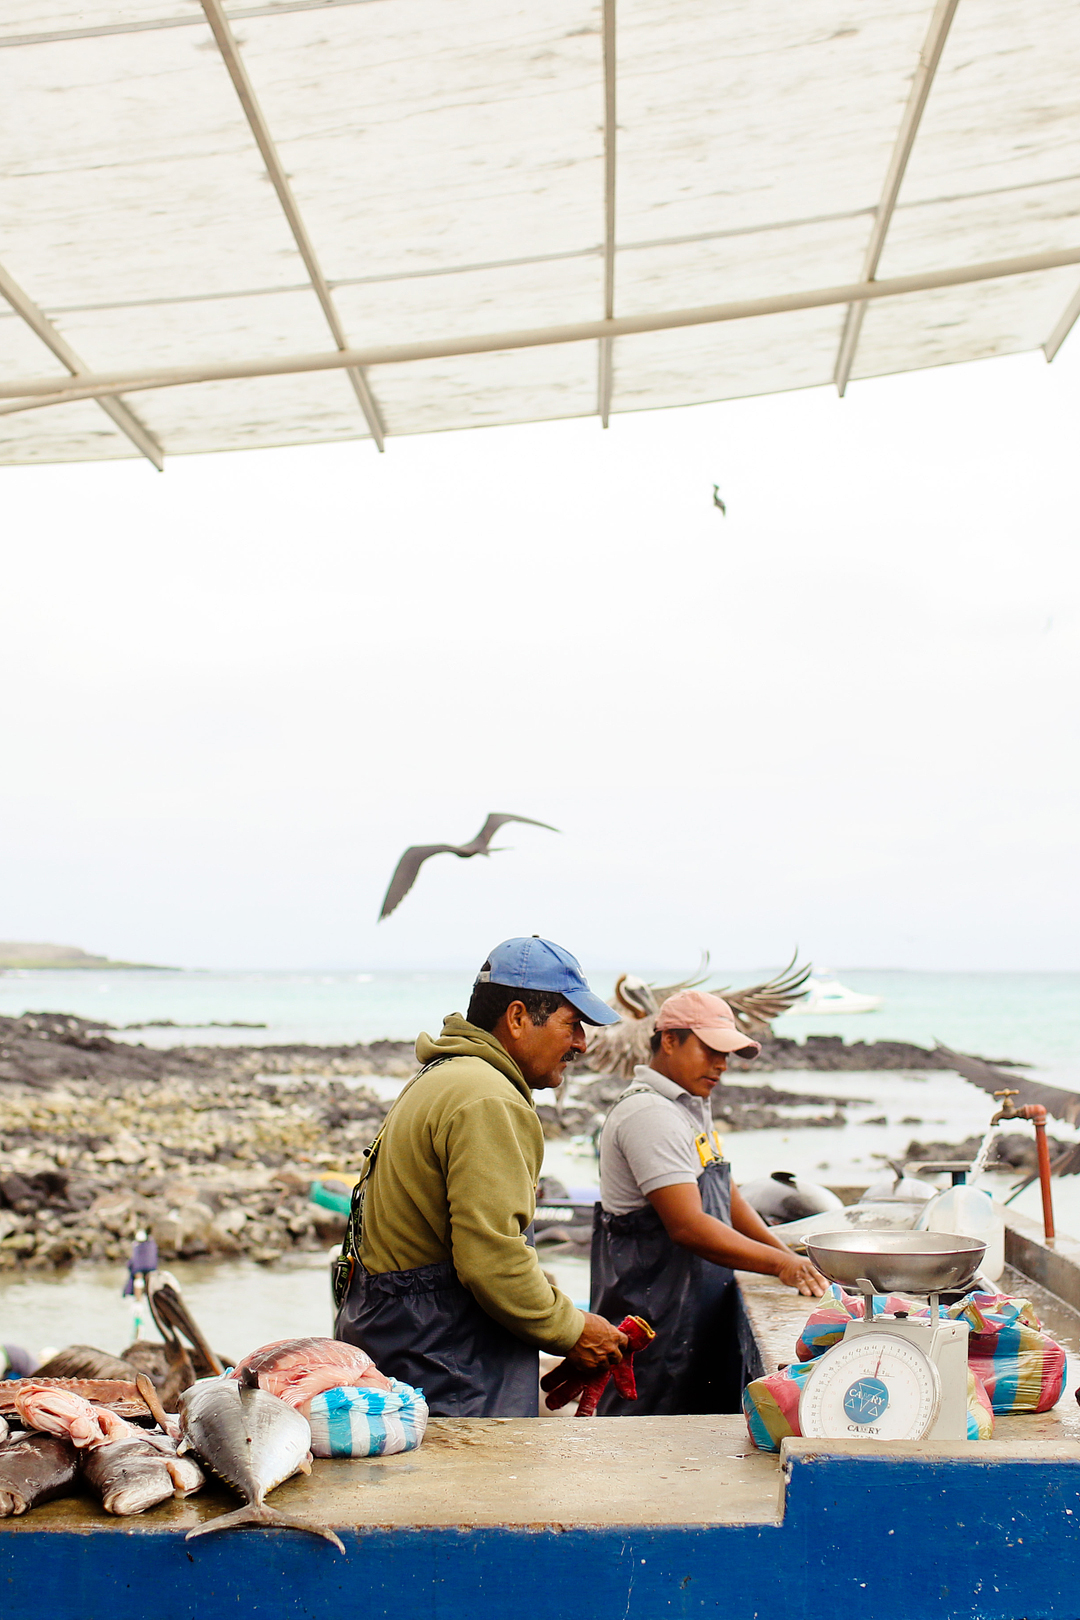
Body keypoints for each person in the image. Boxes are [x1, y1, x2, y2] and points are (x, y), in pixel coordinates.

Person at [334, 935, 630, 1416]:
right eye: (572, 1024)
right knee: (475, 1491)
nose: (581, 1043)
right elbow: (491, 1260)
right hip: (447, 1368)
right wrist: (572, 1329)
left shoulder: (444, 1075)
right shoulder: (487, 1097)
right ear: (516, 1018)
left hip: (406, 1346)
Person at [591, 988, 828, 1415]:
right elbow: (688, 1226)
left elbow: (725, 1191)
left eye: (729, 1053)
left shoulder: (690, 1105)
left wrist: (786, 1255)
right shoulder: (650, 1114)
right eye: (710, 1050)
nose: (721, 1064)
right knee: (641, 1437)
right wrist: (778, 1265)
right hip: (654, 1321)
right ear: (668, 1040)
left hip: (691, 1318)